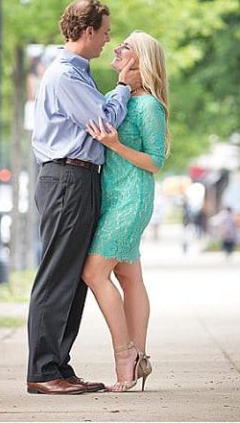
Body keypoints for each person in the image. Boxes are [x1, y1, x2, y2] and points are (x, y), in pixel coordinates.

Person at [26, 0, 140, 396]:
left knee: (73, 279)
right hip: (66, 179)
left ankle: (58, 365)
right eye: (106, 32)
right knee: (57, 276)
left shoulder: (78, 74)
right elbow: (104, 122)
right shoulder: (65, 77)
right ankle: (42, 371)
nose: (108, 41)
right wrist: (124, 86)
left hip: (79, 179)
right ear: (88, 31)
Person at [81, 31, 169, 391]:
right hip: (111, 196)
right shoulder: (117, 97)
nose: (116, 49)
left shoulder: (149, 105)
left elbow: (155, 161)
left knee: (93, 273)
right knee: (130, 279)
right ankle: (140, 359)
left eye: (126, 46)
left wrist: (115, 145)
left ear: (141, 59)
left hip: (132, 199)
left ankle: (125, 354)